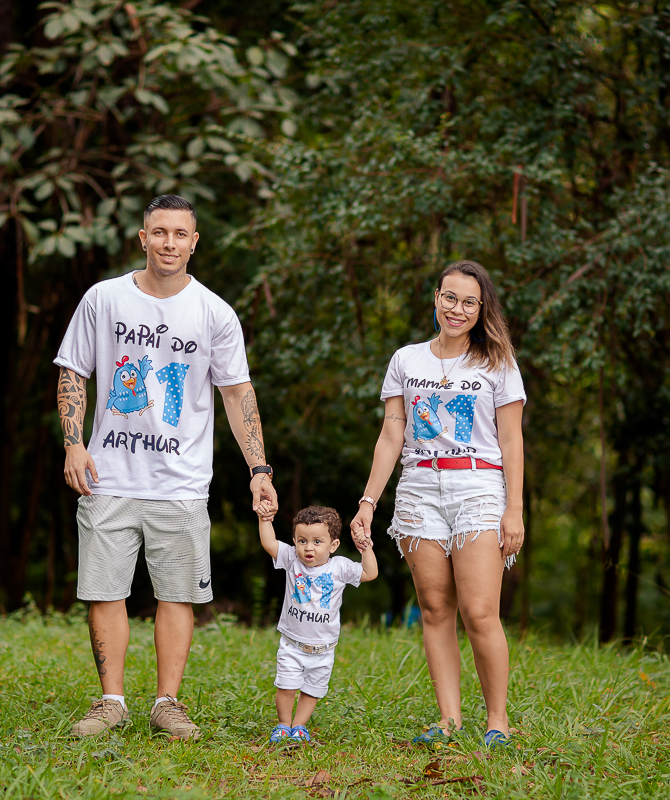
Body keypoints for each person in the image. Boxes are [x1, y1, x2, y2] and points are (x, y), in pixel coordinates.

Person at [54, 194, 278, 741]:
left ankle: (166, 704)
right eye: (159, 233)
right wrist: (72, 443)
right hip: (108, 474)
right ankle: (111, 702)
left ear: (194, 241)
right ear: (143, 237)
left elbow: (237, 394)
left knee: (176, 592)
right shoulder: (103, 299)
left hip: (181, 480)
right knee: (106, 590)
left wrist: (259, 469)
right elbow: (72, 373)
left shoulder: (214, 312)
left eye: (180, 234)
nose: (169, 243)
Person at [350, 259, 525, 749]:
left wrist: (514, 509)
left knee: (479, 610)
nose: (457, 309)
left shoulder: (497, 364)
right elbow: (391, 433)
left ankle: (497, 721)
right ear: (435, 297)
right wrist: (369, 501)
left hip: (479, 490)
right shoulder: (406, 360)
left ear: (481, 309)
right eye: (450, 297)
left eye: (470, 302)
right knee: (433, 607)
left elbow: (511, 441)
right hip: (419, 491)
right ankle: (448, 720)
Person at [257, 504, 377, 744]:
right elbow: (270, 544)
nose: (308, 548)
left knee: (312, 690)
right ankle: (283, 724)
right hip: (292, 644)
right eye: (302, 540)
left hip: (324, 648)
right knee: (286, 686)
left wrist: (366, 548)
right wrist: (264, 519)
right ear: (294, 541)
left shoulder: (340, 567)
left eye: (317, 542)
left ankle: (299, 725)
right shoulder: (292, 559)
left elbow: (369, 573)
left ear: (333, 545)